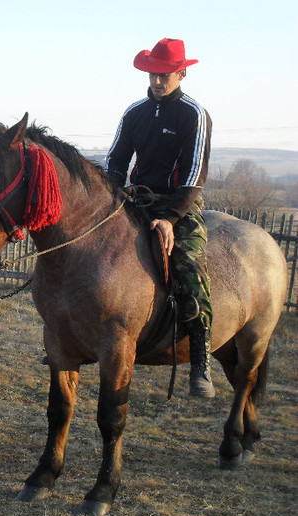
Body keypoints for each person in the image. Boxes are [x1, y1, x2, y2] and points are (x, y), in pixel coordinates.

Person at [105, 38, 215, 398]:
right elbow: (116, 161)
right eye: (153, 73)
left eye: (165, 74)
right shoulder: (134, 112)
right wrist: (113, 193)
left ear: (181, 73)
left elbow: (195, 174)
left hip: (178, 205)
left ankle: (200, 359)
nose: (157, 80)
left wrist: (169, 218)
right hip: (136, 199)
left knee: (187, 265)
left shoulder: (193, 114)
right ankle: (74, 334)